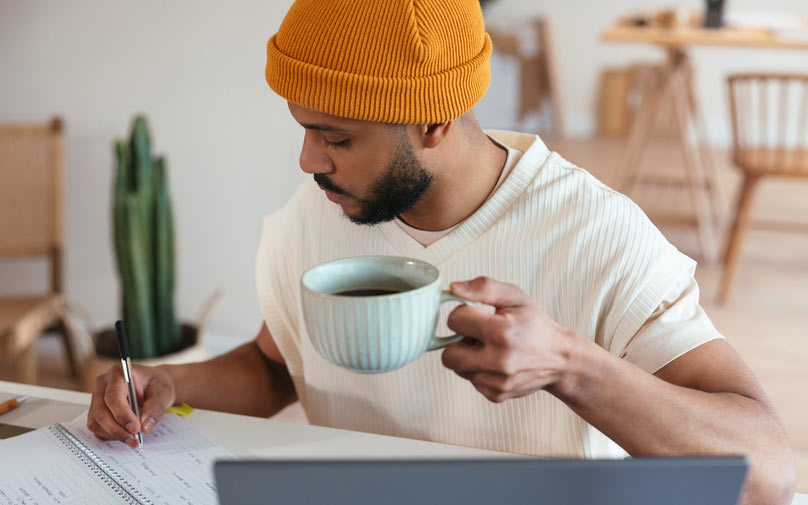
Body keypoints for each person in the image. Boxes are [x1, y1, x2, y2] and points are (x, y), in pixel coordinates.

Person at [87, 0, 795, 503]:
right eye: (304, 130)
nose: (309, 160)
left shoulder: (597, 234)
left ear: (434, 120)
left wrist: (571, 365)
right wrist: (171, 383)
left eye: (336, 138)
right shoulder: (318, 212)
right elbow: (275, 365)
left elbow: (765, 473)